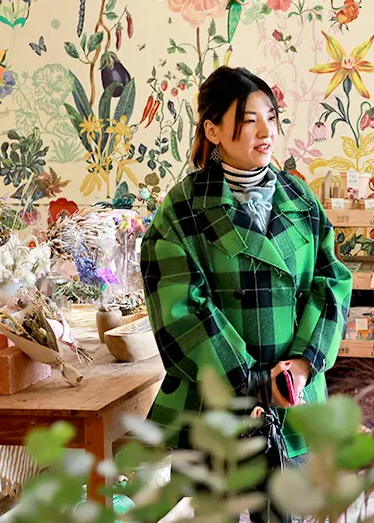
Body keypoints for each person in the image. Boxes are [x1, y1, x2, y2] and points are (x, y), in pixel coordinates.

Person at [140, 66, 352, 522]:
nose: (266, 132)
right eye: (249, 120)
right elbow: (180, 307)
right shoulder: (182, 209)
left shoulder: (299, 197)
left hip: (293, 397)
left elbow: (331, 280)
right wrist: (252, 381)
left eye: (271, 118)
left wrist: (303, 363)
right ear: (213, 130)